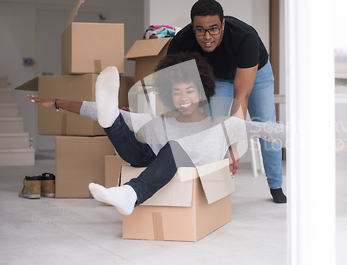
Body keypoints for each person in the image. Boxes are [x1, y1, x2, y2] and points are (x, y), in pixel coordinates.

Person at [27, 52, 287, 215]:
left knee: (172, 148)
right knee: (118, 121)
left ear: (202, 91)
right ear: (167, 96)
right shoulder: (157, 123)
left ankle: (130, 193)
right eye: (176, 92)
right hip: (152, 163)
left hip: (193, 171)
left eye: (189, 90)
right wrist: (58, 102)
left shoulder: (222, 124)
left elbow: (268, 130)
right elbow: (94, 109)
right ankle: (111, 122)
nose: (183, 98)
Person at [167, 0, 287, 203]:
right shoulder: (181, 42)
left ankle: (276, 185)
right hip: (220, 77)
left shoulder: (245, 37)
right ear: (192, 27)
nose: (207, 37)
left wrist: (234, 146)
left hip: (257, 73)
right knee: (214, 126)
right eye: (200, 30)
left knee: (265, 124)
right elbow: (173, 90)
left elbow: (241, 96)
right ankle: (214, 185)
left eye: (213, 29)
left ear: (223, 24)